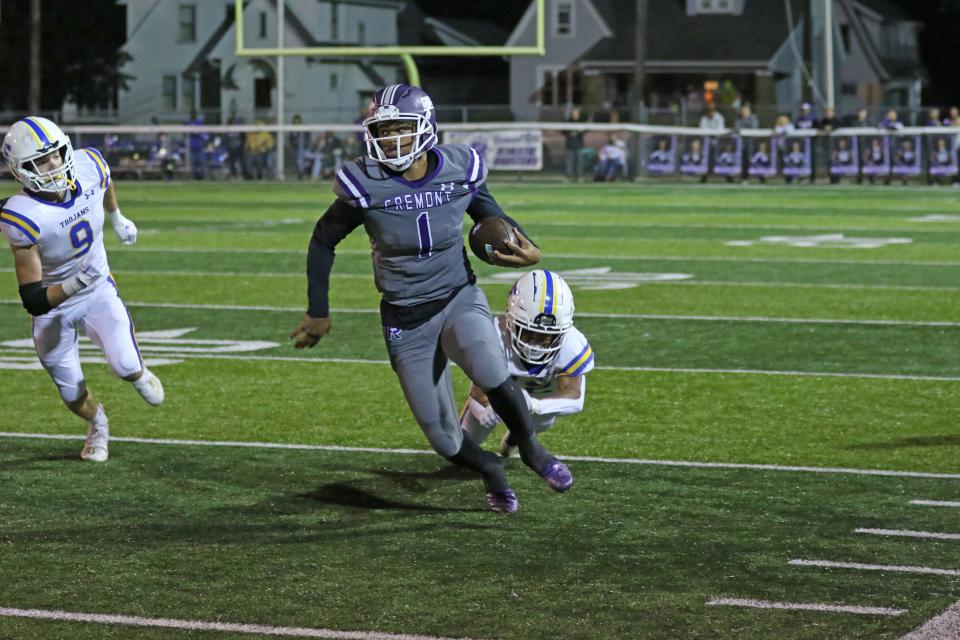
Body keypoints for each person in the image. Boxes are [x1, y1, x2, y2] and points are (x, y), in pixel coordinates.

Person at [288, 84, 573, 514]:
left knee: (491, 369)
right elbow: (322, 240)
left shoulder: (459, 168)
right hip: (405, 316)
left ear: (426, 128)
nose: (390, 140)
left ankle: (533, 450)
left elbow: (492, 217)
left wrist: (528, 246)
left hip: (457, 295)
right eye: (382, 131)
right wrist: (318, 310)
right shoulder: (366, 181)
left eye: (399, 128)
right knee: (443, 438)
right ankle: (491, 469)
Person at [0, 117, 165, 462]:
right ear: (22, 169)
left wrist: (118, 218)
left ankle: (137, 369)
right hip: (55, 305)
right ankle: (98, 424)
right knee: (72, 392)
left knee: (126, 367)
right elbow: (33, 301)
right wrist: (75, 282)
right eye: (42, 161)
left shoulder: (89, 164)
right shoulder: (23, 216)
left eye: (58, 154)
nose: (55, 164)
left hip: (98, 292)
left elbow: (105, 181)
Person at [460, 270, 593, 457]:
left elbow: (574, 399)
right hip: (495, 392)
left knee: (542, 420)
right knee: (464, 442)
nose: (537, 344)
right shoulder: (493, 337)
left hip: (541, 395)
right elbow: (477, 392)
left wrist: (534, 405)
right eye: (530, 333)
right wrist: (484, 411)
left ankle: (516, 436)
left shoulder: (571, 345)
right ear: (511, 321)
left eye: (547, 337)